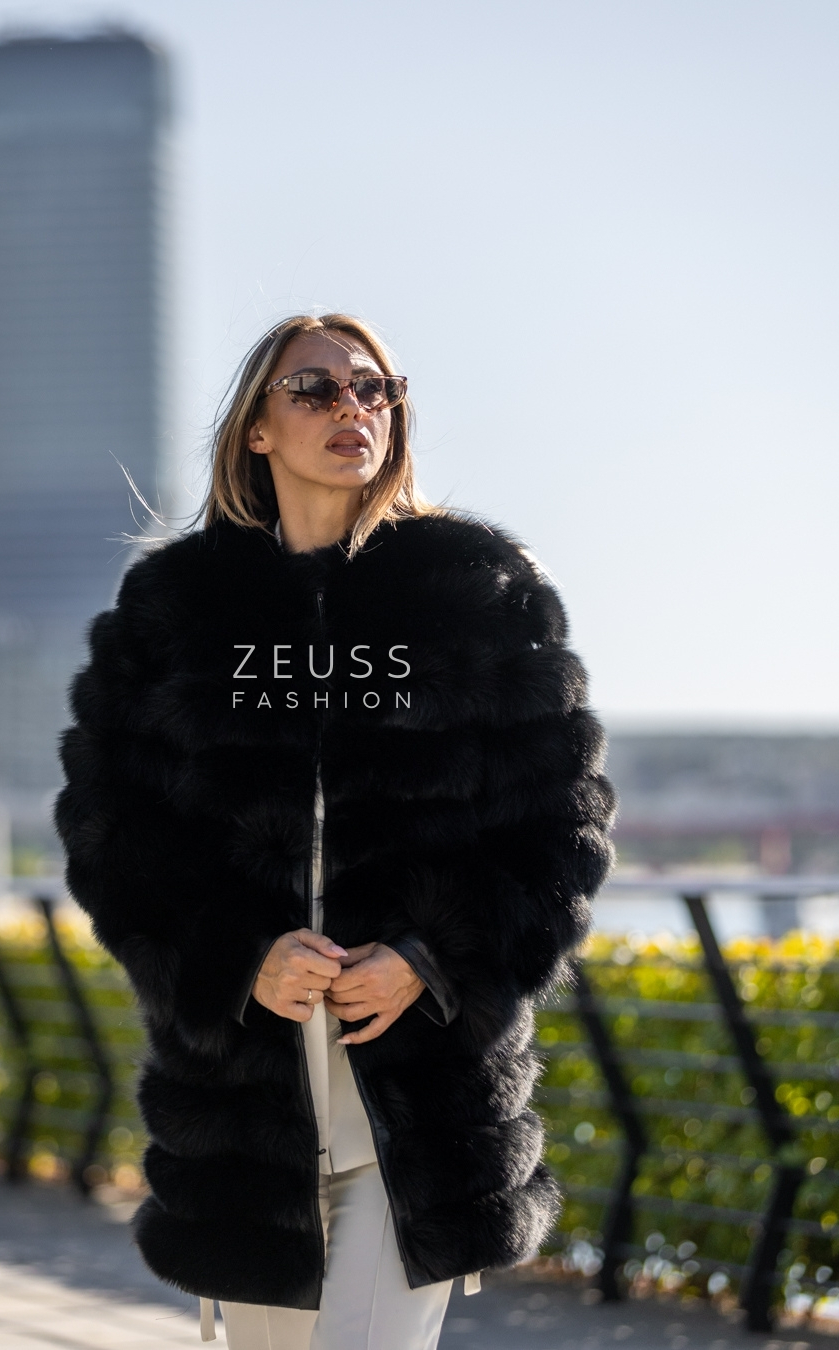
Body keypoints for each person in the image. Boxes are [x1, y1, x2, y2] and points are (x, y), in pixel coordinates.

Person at [55, 313, 615, 1350]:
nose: (352, 407)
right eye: (315, 389)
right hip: (243, 1111)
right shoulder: (175, 608)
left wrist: (430, 959)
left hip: (423, 1101)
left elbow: (561, 832)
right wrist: (238, 960)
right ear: (257, 429)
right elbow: (112, 835)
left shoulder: (478, 593)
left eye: (375, 389)